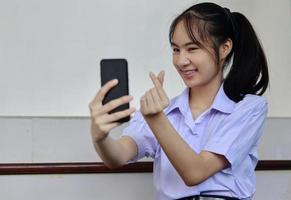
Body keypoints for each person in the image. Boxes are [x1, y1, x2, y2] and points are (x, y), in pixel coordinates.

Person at [89, 2, 269, 200]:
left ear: (225, 48)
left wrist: (157, 120)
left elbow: (195, 172)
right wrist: (100, 137)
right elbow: (119, 155)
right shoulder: (162, 112)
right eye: (176, 50)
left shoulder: (248, 107)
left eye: (192, 49)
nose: (181, 61)